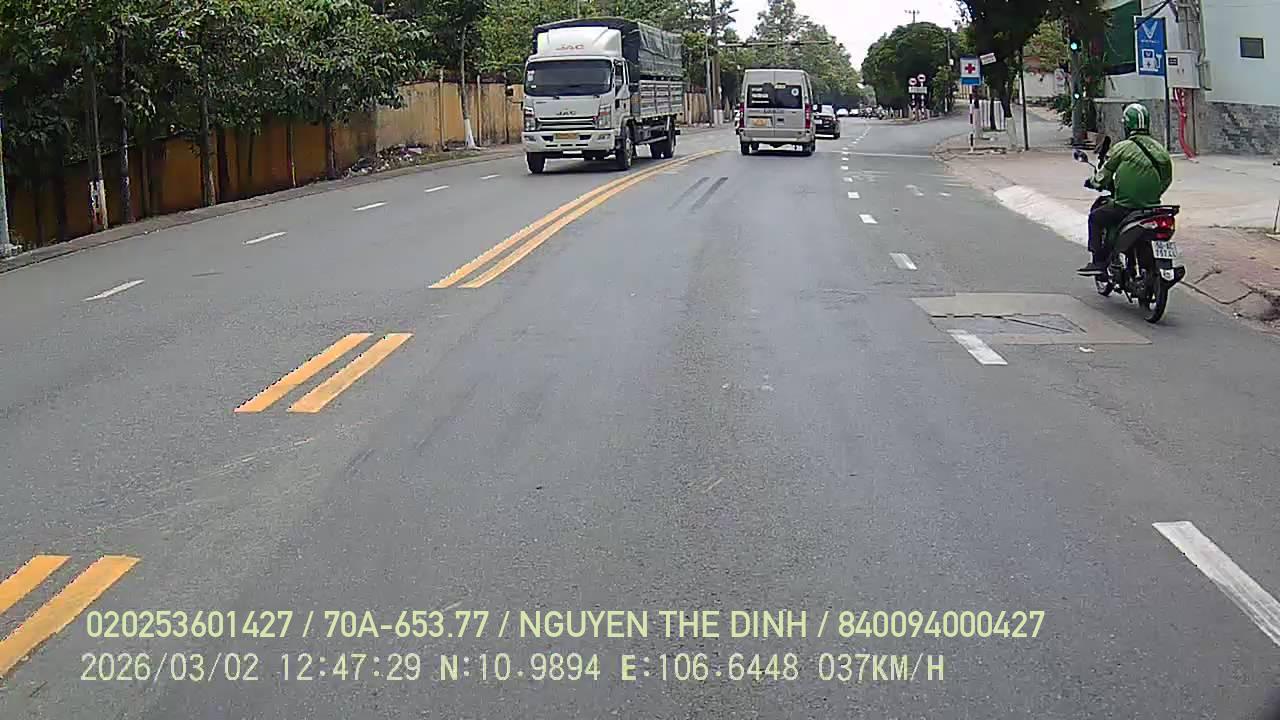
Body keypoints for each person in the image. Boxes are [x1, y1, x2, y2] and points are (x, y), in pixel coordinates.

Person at [1077, 103, 1174, 275]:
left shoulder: (1122, 148)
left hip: (1126, 207)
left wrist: (1094, 182)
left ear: (1127, 125)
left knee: (1096, 217)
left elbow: (1105, 174)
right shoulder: (1161, 150)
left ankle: (1098, 261)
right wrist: (1152, 195)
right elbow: (1166, 179)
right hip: (1152, 208)